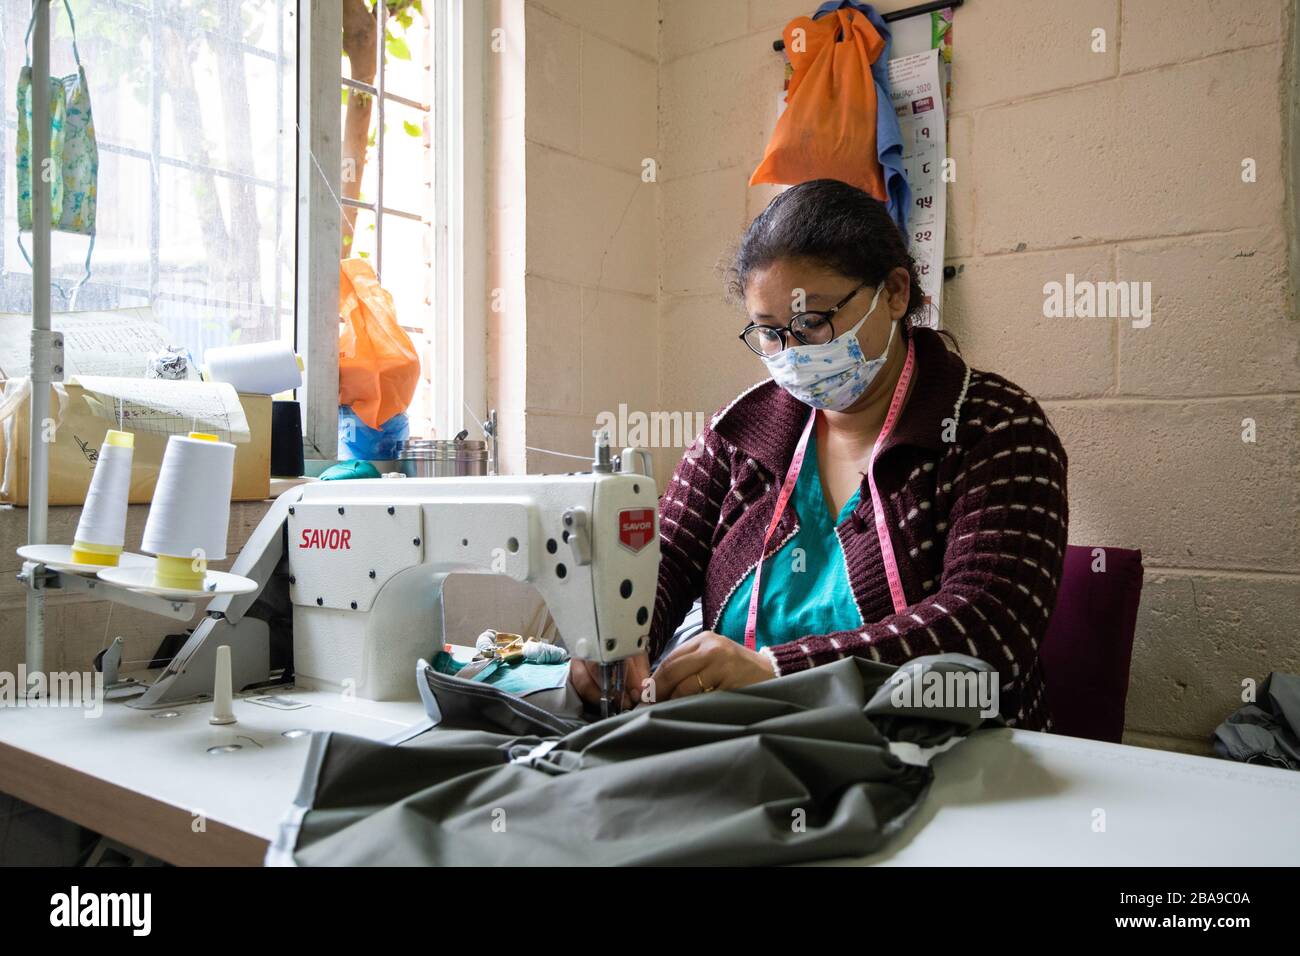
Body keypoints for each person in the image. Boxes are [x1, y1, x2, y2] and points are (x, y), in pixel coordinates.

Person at [573, 179, 1068, 730]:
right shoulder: (737, 435)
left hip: (951, 759)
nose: (791, 353)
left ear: (896, 292)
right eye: (768, 332)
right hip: (748, 749)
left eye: (812, 323)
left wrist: (780, 672)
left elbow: (987, 632)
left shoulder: (996, 428)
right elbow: (662, 561)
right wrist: (615, 640)